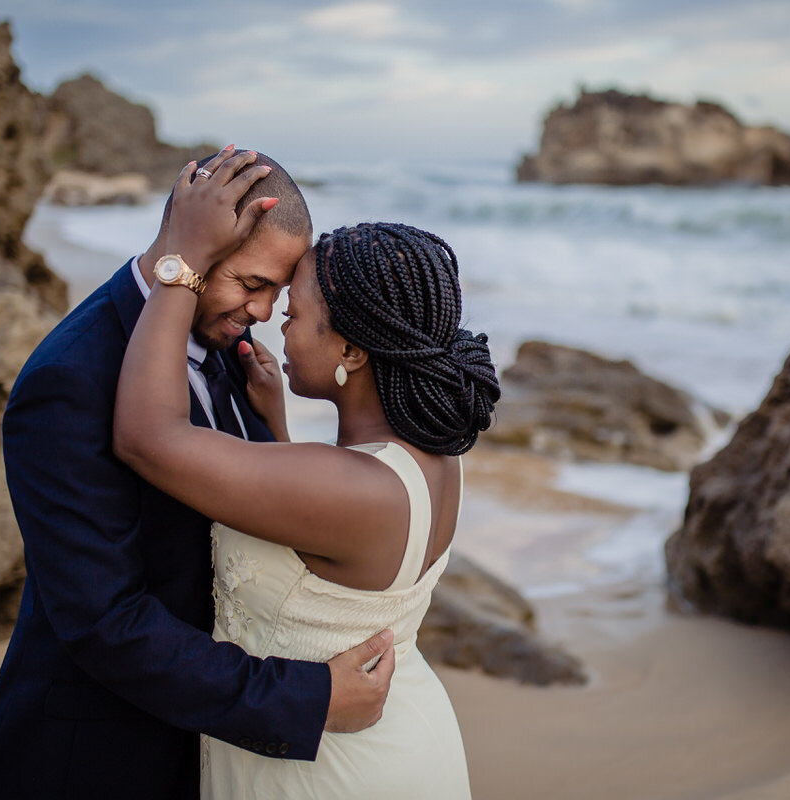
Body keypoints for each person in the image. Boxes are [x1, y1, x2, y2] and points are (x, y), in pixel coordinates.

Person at [0, 147, 396, 800]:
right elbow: (104, 622)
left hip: (202, 745)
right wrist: (303, 700)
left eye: (278, 293)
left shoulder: (233, 350)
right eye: (252, 284)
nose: (263, 313)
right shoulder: (70, 377)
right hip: (93, 758)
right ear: (192, 247)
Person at [113, 147, 500, 798]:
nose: (273, 325)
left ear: (350, 347)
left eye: (292, 314)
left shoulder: (348, 489)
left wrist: (184, 259)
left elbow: (148, 438)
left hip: (332, 770)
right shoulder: (430, 453)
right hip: (403, 734)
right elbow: (320, 550)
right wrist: (279, 431)